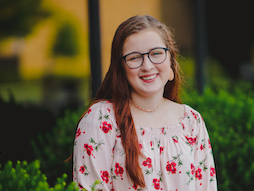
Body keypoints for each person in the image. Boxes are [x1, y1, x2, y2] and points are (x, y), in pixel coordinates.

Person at [73, 15, 217, 191]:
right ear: (121, 69)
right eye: (134, 57)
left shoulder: (191, 121)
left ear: (171, 61)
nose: (147, 66)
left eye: (156, 53)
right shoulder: (101, 120)